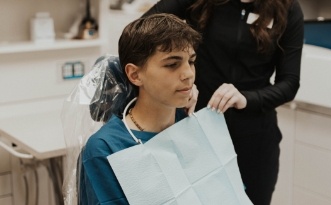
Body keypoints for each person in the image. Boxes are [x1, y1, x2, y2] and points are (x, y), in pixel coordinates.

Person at [142, 0, 304, 204]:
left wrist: (247, 98)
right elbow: (141, 34)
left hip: (254, 141)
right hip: (195, 130)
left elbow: (289, 83)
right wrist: (183, 78)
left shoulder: (287, 7)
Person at [77, 13, 202, 204]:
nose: (188, 74)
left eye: (191, 62)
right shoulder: (105, 148)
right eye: (172, 64)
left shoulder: (191, 126)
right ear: (135, 75)